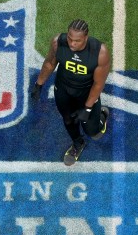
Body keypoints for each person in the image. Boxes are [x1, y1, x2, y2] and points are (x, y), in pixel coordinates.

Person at [32, 19, 111, 165]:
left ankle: (102, 116)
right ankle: (78, 143)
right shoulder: (58, 42)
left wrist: (87, 108)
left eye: (77, 41)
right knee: (68, 119)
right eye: (69, 38)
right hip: (63, 90)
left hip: (86, 93)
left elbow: (98, 84)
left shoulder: (100, 52)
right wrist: (39, 84)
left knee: (93, 132)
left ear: (86, 38)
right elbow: (50, 63)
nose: (72, 43)